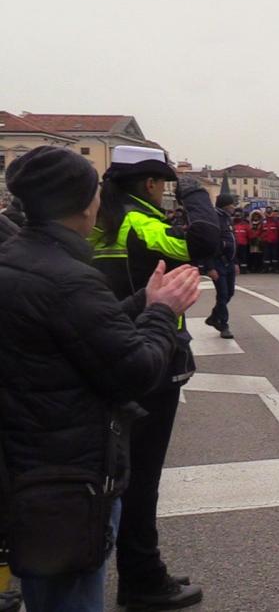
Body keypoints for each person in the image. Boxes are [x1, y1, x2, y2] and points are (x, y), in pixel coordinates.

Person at [1, 147, 201, 612]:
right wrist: (161, 312)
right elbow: (135, 372)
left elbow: (80, 329)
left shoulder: (19, 257)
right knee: (69, 595)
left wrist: (138, 302)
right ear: (83, 202)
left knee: (46, 589)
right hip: (68, 472)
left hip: (29, 461)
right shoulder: (69, 279)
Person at [89, 145, 216, 608]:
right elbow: (202, 244)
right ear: (149, 184)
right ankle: (142, 576)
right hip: (149, 355)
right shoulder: (137, 220)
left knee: (119, 471)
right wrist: (197, 195)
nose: (165, 192)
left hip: (106, 348)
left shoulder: (97, 220)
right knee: (141, 477)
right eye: (163, 184)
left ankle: (137, 568)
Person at [204, 194, 239, 339]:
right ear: (225, 205)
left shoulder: (227, 219)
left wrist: (236, 262)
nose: (234, 207)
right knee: (223, 294)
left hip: (229, 263)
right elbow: (208, 245)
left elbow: (233, 243)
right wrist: (210, 267)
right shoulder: (214, 219)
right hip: (218, 263)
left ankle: (213, 317)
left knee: (229, 293)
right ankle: (223, 325)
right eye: (232, 204)